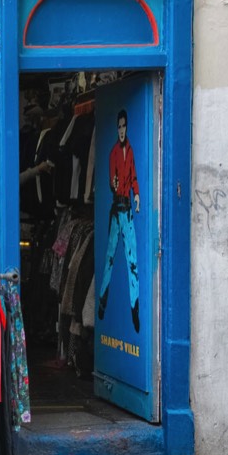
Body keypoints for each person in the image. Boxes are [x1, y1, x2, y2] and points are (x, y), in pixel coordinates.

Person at [96, 109, 141, 332]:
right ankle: (102, 302)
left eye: (124, 126)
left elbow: (133, 176)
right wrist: (114, 184)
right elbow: (111, 180)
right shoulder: (114, 152)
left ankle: (135, 308)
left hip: (128, 210)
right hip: (117, 210)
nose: (122, 130)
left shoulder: (130, 151)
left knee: (133, 262)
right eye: (119, 127)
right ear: (116, 128)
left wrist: (138, 195)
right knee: (110, 258)